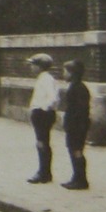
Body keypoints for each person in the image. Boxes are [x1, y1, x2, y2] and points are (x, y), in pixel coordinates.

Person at [26, 53, 59, 184]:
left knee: (42, 143)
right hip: (41, 113)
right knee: (42, 143)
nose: (31, 68)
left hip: (42, 114)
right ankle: (44, 171)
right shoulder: (43, 78)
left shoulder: (46, 79)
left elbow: (53, 98)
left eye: (33, 65)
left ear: (40, 66)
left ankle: (43, 173)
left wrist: (43, 109)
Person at [59, 58, 91, 190]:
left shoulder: (78, 88)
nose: (63, 74)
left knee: (77, 151)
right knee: (74, 150)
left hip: (77, 126)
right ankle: (76, 177)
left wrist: (74, 124)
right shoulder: (75, 87)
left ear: (72, 73)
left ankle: (81, 180)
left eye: (65, 71)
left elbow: (80, 109)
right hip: (75, 125)